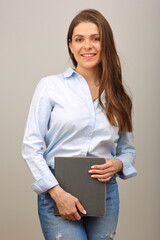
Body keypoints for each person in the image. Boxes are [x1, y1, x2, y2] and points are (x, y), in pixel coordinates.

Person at [22, 9, 137, 240]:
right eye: (80, 39)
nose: (88, 46)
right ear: (71, 45)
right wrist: (56, 192)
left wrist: (117, 164)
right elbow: (30, 147)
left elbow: (128, 151)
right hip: (58, 189)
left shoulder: (119, 95)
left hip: (105, 192)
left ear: (106, 44)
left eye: (96, 38)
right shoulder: (50, 87)